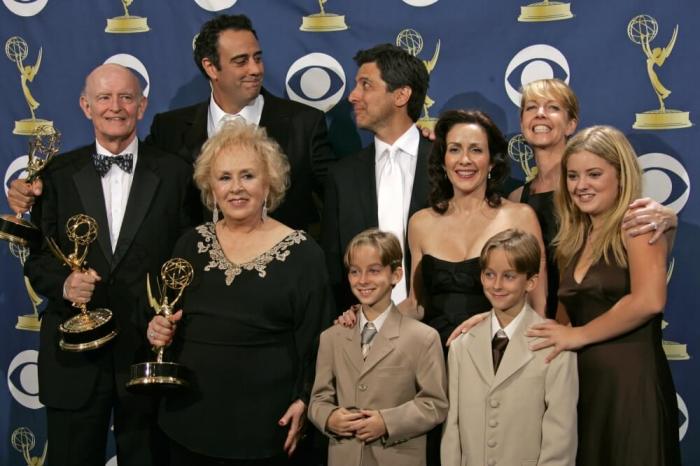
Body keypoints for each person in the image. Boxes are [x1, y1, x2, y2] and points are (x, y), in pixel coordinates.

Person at [23, 64, 198, 466]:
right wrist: (65, 284)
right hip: (74, 356)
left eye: (126, 97)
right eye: (104, 97)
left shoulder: (176, 173)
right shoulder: (55, 174)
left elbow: (187, 259)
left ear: (142, 106)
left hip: (147, 352)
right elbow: (37, 257)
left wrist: (168, 319)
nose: (115, 107)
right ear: (86, 106)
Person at [147, 121, 333, 465]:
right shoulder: (190, 244)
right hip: (187, 422)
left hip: (267, 427)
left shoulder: (304, 254)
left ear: (269, 182)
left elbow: (319, 341)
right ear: (210, 187)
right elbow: (166, 315)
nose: (236, 188)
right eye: (224, 178)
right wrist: (158, 330)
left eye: (248, 176)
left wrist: (305, 400)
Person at [526, 125, 681, 465]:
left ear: (621, 175)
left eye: (594, 174)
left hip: (630, 387)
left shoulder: (638, 224)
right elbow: (560, 322)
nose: (581, 186)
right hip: (583, 387)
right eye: (573, 176)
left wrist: (578, 335)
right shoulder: (573, 238)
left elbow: (649, 301)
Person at [145, 13, 335, 232]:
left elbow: (336, 203)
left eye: (258, 58)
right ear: (211, 67)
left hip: (283, 263)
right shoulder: (169, 128)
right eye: (241, 61)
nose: (255, 69)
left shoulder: (305, 124)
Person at [509, 78, 678, 319]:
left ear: (571, 124)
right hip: (543, 324)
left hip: (596, 319)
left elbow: (634, 240)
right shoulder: (517, 197)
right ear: (522, 122)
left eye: (553, 107)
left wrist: (670, 220)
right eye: (531, 107)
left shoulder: (594, 192)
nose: (540, 114)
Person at [404, 109, 547, 346]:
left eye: (476, 150)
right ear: (443, 160)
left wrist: (493, 323)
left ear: (492, 161)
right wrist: (369, 318)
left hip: (498, 353)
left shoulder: (520, 218)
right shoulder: (420, 223)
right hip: (434, 359)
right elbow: (416, 305)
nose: (465, 160)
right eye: (455, 149)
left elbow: (537, 305)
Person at [309, 229, 448, 466]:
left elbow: (434, 404)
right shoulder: (332, 337)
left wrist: (387, 422)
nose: (362, 280)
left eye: (373, 271)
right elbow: (318, 399)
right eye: (355, 271)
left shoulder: (423, 338)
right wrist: (329, 417)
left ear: (396, 275)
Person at [441, 228, 577, 466]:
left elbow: (560, 434)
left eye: (509, 276)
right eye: (489, 274)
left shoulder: (554, 346)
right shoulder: (462, 346)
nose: (497, 285)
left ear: (531, 281)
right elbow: (452, 429)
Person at [321, 44, 431, 314]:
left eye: (366, 85)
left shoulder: (448, 165)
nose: (352, 96)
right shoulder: (342, 176)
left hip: (443, 333)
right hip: (363, 335)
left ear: (401, 95)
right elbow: (333, 268)